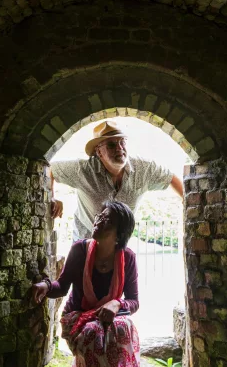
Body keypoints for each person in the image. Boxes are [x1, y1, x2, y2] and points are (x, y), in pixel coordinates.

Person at [32, 201, 140, 366]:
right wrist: (46, 286)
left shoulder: (128, 258)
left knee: (124, 327)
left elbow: (134, 301)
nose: (98, 222)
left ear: (119, 235)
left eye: (108, 221)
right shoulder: (79, 250)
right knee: (93, 333)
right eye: (100, 216)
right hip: (77, 317)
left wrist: (116, 304)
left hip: (109, 319)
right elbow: (62, 287)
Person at [48, 120, 185, 240]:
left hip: (120, 245)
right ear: (99, 152)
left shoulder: (144, 169)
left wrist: (188, 206)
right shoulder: (83, 170)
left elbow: (171, 178)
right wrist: (52, 197)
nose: (119, 148)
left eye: (122, 142)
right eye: (111, 145)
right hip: (85, 243)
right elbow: (50, 170)